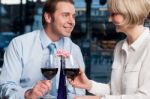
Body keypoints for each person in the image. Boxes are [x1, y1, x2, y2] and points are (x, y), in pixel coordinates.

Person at [0, 0, 85, 98]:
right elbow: (5, 87)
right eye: (65, 15)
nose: (72, 22)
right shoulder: (19, 45)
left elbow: (78, 91)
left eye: (73, 16)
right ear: (48, 17)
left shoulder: (74, 50)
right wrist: (28, 94)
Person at [69, 0, 150, 99]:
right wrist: (89, 85)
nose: (109, 19)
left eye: (113, 14)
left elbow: (145, 96)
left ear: (129, 12)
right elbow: (114, 91)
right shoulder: (119, 47)